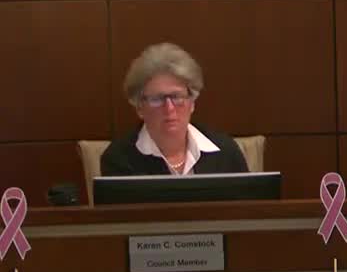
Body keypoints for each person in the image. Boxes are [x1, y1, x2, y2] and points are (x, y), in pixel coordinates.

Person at [99, 43, 251, 177]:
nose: (169, 108)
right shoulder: (119, 159)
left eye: (177, 97)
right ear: (139, 107)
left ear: (192, 102)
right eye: (157, 99)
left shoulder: (225, 152)